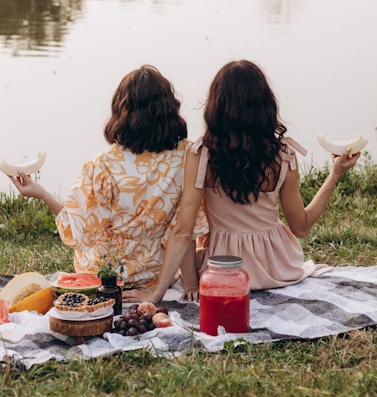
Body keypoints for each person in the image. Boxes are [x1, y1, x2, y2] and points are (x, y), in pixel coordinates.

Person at [123, 59, 361, 304]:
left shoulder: (201, 154)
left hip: (223, 269)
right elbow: (300, 227)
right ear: (265, 105)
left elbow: (184, 231)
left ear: (215, 107)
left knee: (184, 249)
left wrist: (157, 294)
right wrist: (335, 174)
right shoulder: (285, 155)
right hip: (280, 268)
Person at [9, 65, 207, 293]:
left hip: (106, 275)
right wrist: (190, 283)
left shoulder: (104, 165)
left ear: (122, 110)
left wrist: (41, 193)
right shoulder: (188, 156)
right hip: (157, 274)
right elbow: (186, 229)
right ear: (169, 108)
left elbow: (79, 233)